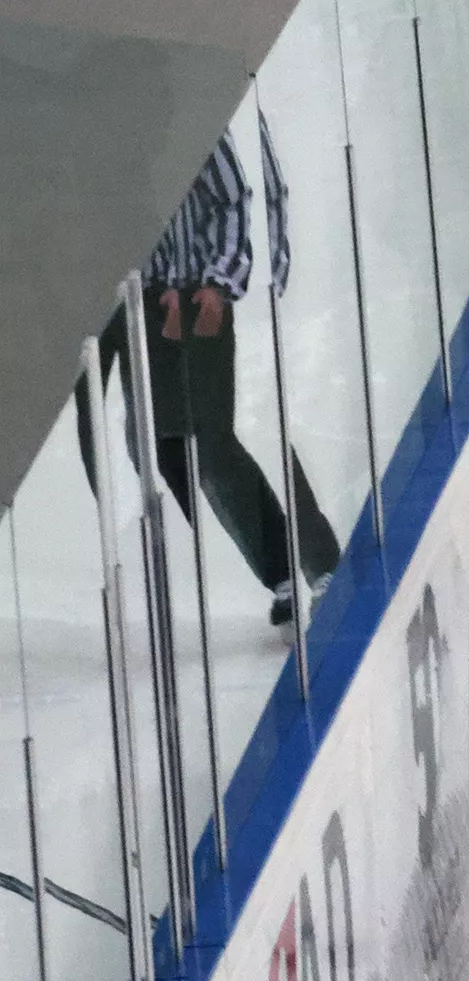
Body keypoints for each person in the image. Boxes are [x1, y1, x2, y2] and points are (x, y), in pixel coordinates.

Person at [75, 119, 341, 627]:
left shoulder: (206, 106)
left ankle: (321, 562)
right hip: (162, 299)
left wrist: (217, 284)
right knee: (173, 447)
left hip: (212, 294)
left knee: (224, 441)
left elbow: (243, 197)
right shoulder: (132, 110)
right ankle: (283, 568)